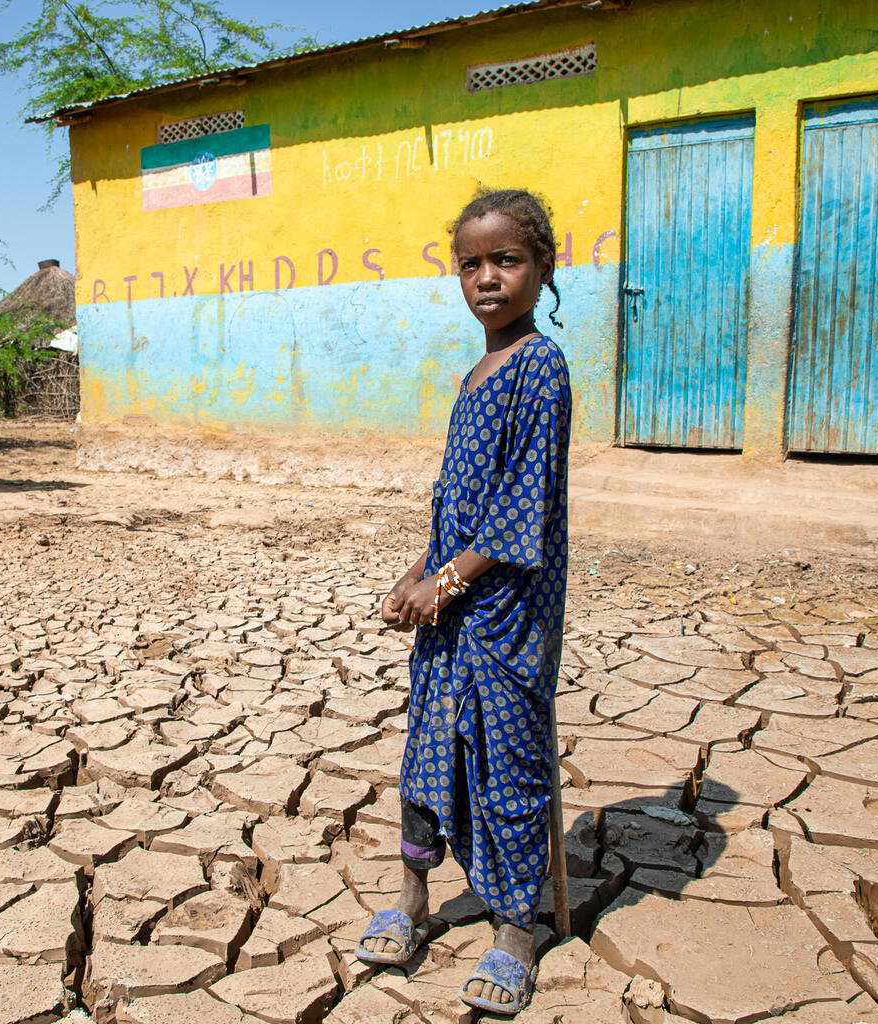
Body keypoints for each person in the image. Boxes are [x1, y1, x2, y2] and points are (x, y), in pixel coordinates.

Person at [355, 188, 571, 1017]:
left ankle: (517, 929)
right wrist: (416, 575)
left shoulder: (538, 368)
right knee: (426, 753)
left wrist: (439, 587)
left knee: (510, 767)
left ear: (541, 267)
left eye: (507, 260)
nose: (488, 277)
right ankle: (413, 896)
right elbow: (457, 505)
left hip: (507, 611)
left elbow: (521, 512)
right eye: (471, 263)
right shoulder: (477, 370)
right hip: (454, 604)